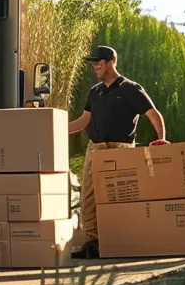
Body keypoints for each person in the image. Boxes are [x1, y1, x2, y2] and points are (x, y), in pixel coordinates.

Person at [65, 45, 166, 259]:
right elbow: (84, 121)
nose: (94, 67)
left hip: (121, 149)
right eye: (93, 63)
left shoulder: (130, 88)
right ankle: (92, 244)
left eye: (98, 62)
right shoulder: (95, 91)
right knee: (89, 196)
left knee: (119, 197)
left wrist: (161, 139)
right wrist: (56, 130)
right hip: (96, 149)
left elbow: (153, 114)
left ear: (111, 61)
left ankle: (122, 240)